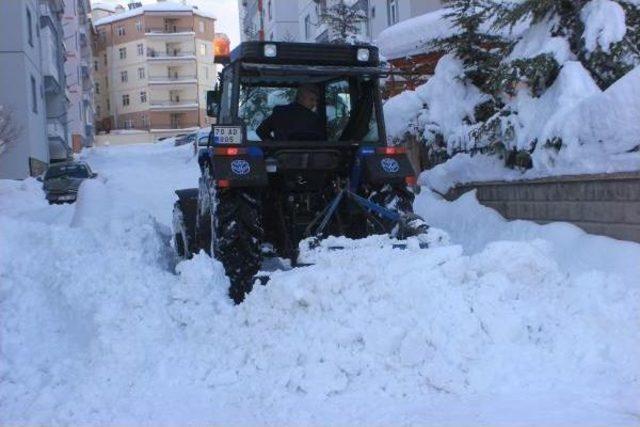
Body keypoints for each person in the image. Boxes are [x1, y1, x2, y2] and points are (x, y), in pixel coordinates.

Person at [256, 84, 325, 141]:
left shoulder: (280, 111)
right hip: (288, 155)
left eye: (316, 100)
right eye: (311, 100)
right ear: (301, 98)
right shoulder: (313, 118)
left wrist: (274, 145)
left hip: (282, 154)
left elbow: (261, 131)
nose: (315, 103)